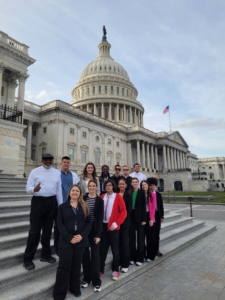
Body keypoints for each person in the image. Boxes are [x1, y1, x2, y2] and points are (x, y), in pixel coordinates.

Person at [23, 153, 63, 271]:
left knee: (47, 230)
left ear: (52, 160)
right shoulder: (35, 172)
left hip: (51, 202)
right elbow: (27, 188)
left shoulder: (57, 173)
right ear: (42, 160)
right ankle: (28, 258)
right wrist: (34, 189)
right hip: (38, 202)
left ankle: (45, 254)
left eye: (50, 159)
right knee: (34, 231)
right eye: (45, 159)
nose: (48, 161)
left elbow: (59, 190)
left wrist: (60, 206)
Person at [53, 184, 92, 299]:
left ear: (80, 193)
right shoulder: (62, 207)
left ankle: (74, 288)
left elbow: (89, 223)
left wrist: (81, 236)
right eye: (73, 190)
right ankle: (59, 293)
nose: (75, 192)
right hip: (66, 241)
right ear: (69, 193)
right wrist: (69, 237)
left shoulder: (84, 206)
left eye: (77, 191)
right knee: (64, 266)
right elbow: (59, 224)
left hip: (80, 241)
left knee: (76, 266)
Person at [99, 179, 127, 280]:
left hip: (113, 228)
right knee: (102, 250)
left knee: (115, 250)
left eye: (110, 185)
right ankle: (100, 269)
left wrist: (116, 224)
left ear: (113, 186)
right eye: (106, 185)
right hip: (104, 227)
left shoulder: (118, 197)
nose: (108, 187)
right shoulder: (102, 197)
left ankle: (115, 270)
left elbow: (123, 212)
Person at [54, 156, 80, 254]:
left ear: (70, 164)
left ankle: (71, 245)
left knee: (70, 226)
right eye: (64, 162)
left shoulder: (74, 176)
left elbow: (77, 190)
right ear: (61, 163)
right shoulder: (56, 175)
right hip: (60, 205)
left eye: (68, 162)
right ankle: (58, 249)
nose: (66, 164)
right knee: (58, 227)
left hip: (71, 205)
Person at [81, 180, 104, 292]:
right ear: (87, 187)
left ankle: (96, 281)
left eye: (93, 186)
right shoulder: (83, 198)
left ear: (96, 187)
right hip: (85, 231)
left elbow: (100, 219)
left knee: (95, 256)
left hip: (95, 231)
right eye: (90, 186)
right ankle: (86, 278)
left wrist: (98, 234)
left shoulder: (99, 200)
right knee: (85, 256)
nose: (91, 187)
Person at [129, 177, 146, 266]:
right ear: (131, 183)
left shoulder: (141, 193)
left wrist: (144, 219)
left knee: (140, 238)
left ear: (138, 183)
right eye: (133, 182)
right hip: (131, 216)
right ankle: (132, 257)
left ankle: (140, 258)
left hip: (139, 217)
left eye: (136, 182)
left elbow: (144, 207)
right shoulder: (129, 192)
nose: (134, 183)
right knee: (131, 238)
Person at [147, 177, 164, 257]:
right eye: (150, 185)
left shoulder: (158, 194)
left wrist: (162, 216)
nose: (151, 187)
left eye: (153, 185)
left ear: (155, 186)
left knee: (157, 233)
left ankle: (157, 249)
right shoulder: (146, 194)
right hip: (149, 215)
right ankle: (150, 249)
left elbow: (161, 206)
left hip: (157, 215)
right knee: (150, 234)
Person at [118, 178, 132, 273]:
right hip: (116, 222)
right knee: (117, 243)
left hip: (125, 222)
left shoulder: (128, 195)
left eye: (123, 184)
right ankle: (118, 261)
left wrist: (122, 219)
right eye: (120, 184)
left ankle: (125, 263)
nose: (121, 185)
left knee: (124, 243)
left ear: (126, 185)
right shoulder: (115, 195)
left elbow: (129, 210)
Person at [140, 180, 157, 261]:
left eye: (145, 184)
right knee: (142, 238)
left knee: (150, 237)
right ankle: (143, 255)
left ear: (148, 185)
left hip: (149, 216)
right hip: (142, 216)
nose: (144, 186)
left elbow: (153, 208)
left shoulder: (152, 195)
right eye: (142, 185)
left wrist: (152, 219)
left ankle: (150, 255)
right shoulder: (140, 195)